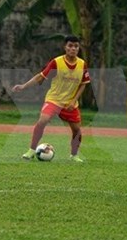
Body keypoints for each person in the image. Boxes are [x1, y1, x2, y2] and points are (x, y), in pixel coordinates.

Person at [12, 35, 90, 163]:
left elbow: (83, 84)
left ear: (78, 48)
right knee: (43, 120)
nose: (73, 48)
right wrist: (24, 86)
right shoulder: (56, 62)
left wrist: (73, 100)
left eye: (76, 46)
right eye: (70, 45)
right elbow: (40, 77)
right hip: (54, 100)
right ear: (65, 47)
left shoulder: (82, 64)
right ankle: (31, 150)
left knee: (77, 130)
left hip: (70, 104)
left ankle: (74, 155)